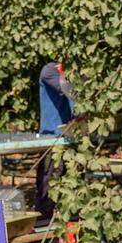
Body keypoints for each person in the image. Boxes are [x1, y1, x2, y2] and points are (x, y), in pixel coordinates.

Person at [36, 60, 74, 220]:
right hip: (51, 137)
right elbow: (68, 89)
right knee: (48, 183)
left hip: (71, 137)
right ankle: (42, 222)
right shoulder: (50, 71)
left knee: (71, 185)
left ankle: (69, 232)